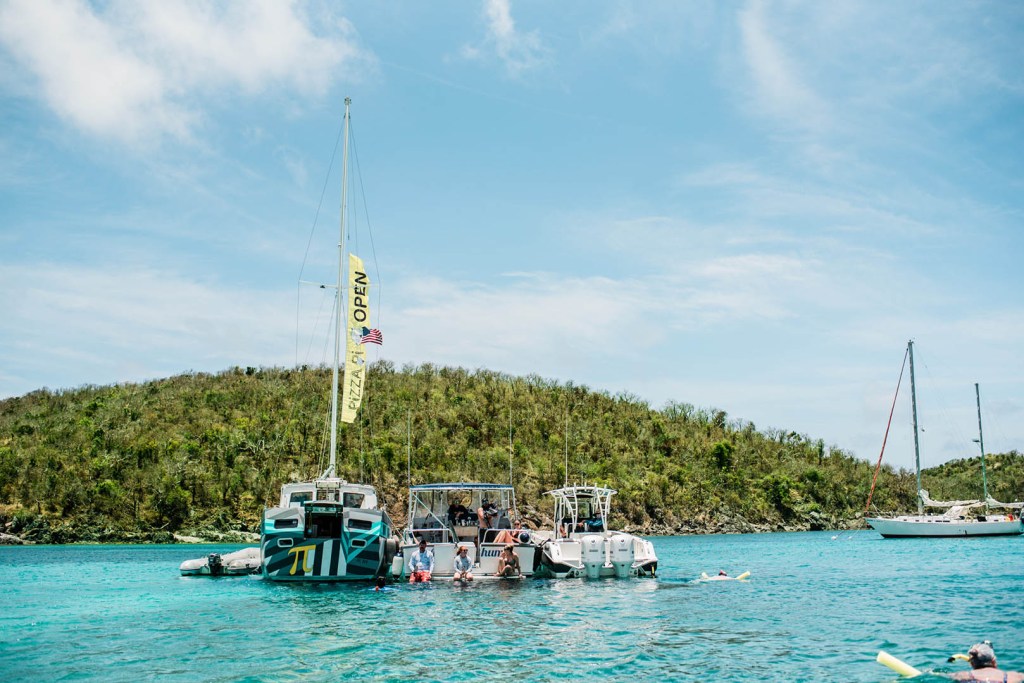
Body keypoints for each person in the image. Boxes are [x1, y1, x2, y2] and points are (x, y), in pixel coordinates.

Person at [950, 642, 1024, 682]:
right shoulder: (1013, 676)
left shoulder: (963, 675)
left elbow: (939, 674)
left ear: (972, 663)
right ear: (994, 661)